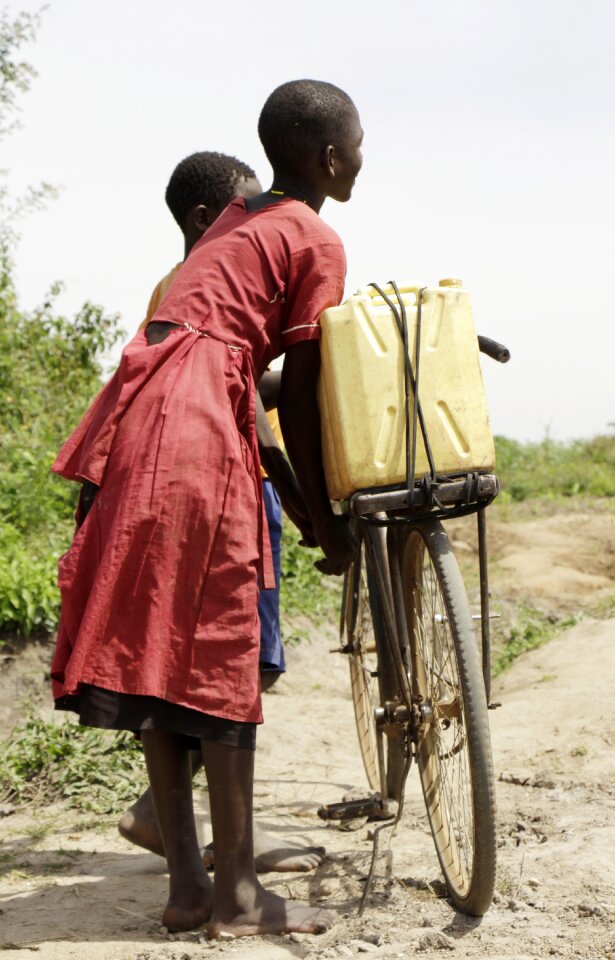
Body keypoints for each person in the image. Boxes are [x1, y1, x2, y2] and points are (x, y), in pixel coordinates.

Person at [50, 78, 363, 939]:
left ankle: (190, 889)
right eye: (358, 145)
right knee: (222, 637)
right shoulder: (316, 237)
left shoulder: (237, 221)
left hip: (135, 407)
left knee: (160, 639)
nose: (362, 159)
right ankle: (235, 902)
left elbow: (222, 363)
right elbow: (292, 400)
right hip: (194, 421)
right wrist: (327, 520)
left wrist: (305, 516)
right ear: (333, 158)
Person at [118, 150, 325, 873]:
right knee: (243, 661)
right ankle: (215, 840)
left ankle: (190, 837)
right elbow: (234, 389)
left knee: (214, 661)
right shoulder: (203, 278)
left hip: (190, 478)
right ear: (210, 218)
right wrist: (307, 507)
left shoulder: (176, 285)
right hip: (232, 480)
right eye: (245, 207)